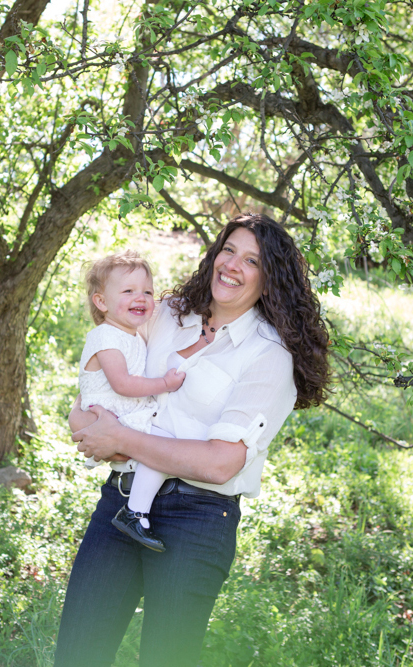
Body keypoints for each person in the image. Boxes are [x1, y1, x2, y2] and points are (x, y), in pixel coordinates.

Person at [53, 214, 330, 666]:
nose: (232, 265)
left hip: (196, 517)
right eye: (229, 250)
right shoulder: (168, 312)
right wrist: (82, 419)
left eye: (251, 261)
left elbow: (221, 463)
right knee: (78, 653)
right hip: (121, 501)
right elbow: (103, 371)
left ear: (270, 278)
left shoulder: (268, 356)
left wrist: (120, 437)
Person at [73, 250, 185, 552]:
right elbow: (122, 383)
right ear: (101, 302)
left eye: (147, 291)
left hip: (123, 413)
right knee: (163, 447)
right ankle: (135, 512)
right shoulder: (105, 336)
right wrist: (164, 384)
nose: (142, 297)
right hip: (111, 414)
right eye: (128, 291)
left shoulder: (133, 335)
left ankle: (136, 510)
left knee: (161, 448)